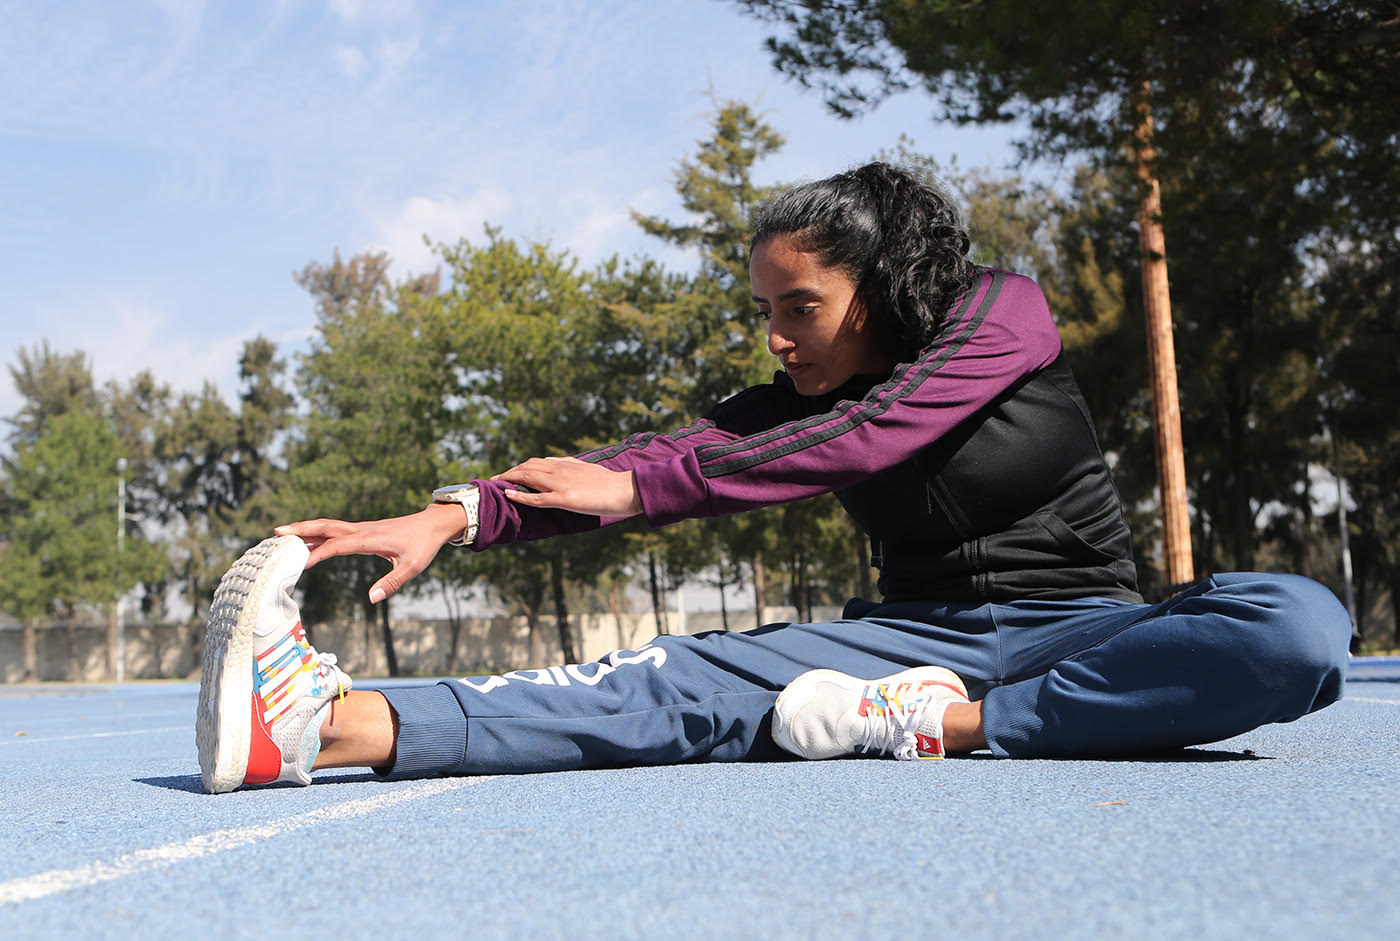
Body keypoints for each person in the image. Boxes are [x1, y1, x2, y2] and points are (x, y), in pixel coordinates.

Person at [195, 162, 1350, 794]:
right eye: (764, 311)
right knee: (666, 684)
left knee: (1293, 627)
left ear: (884, 285)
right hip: (899, 640)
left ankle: (951, 724)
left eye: (800, 308)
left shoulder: (1002, 312)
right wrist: (455, 511)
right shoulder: (796, 397)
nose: (776, 338)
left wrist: (646, 491)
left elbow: (875, 433)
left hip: (1082, 630)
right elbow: (662, 454)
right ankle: (318, 728)